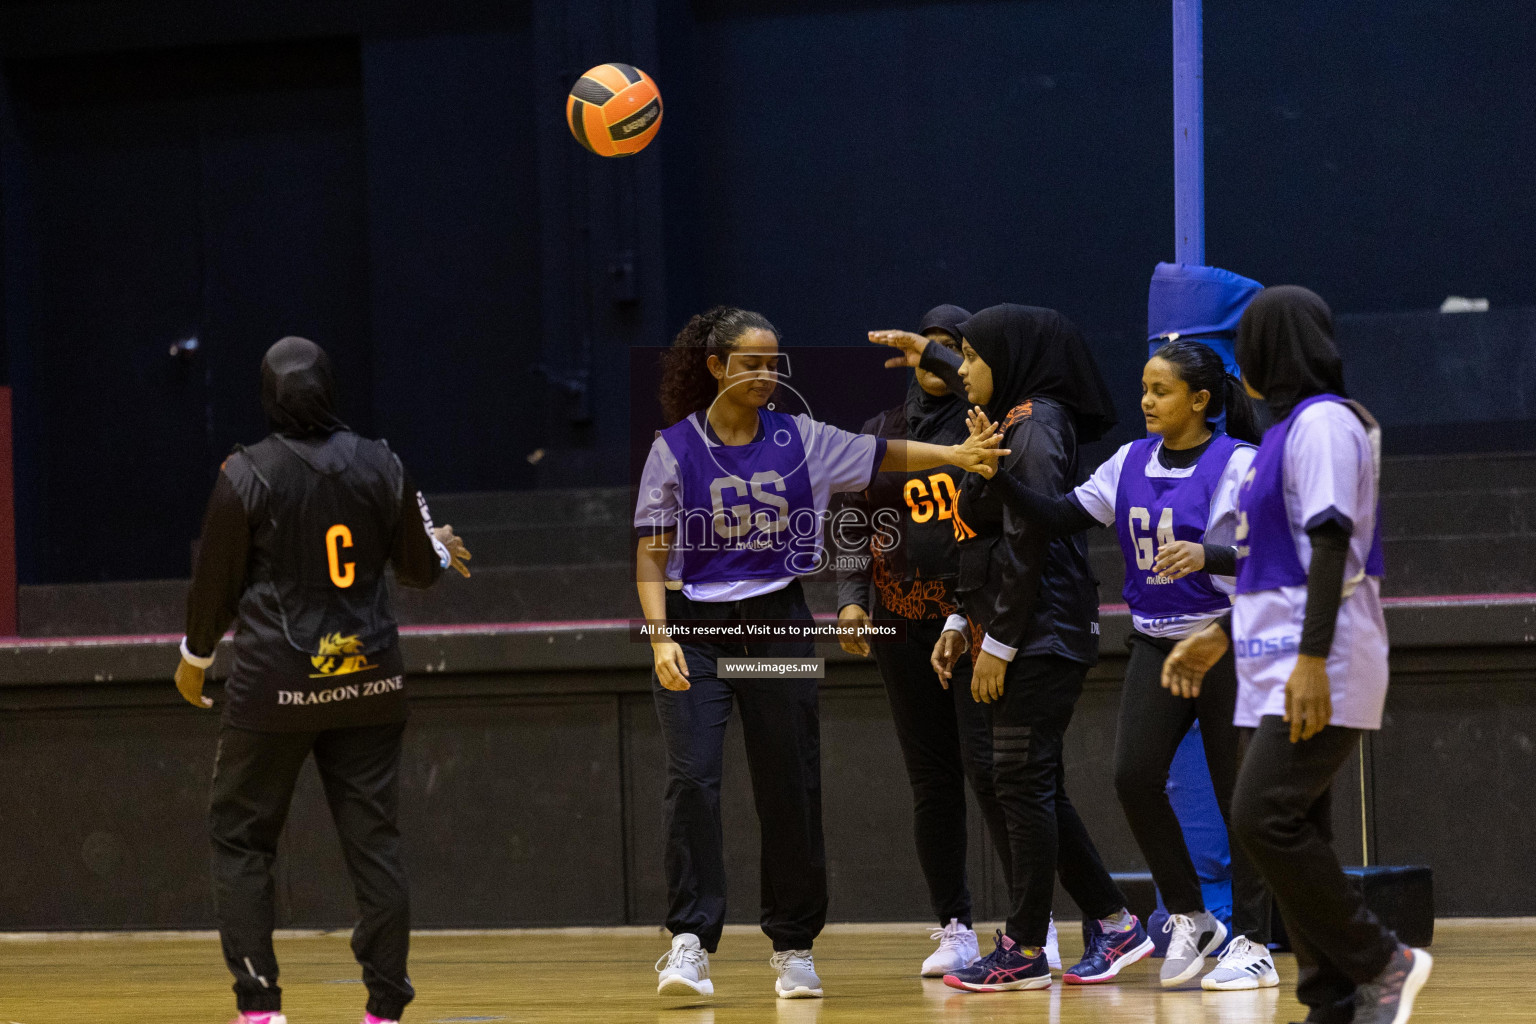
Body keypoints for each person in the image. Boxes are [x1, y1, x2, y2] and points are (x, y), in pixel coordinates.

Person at [636, 306, 1003, 1001]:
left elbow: (884, 457)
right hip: (694, 631)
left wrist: (955, 455)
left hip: (775, 623)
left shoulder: (799, 437)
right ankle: (689, 942)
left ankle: (794, 946)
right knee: (692, 780)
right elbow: (652, 553)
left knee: (790, 785)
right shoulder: (675, 447)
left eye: (775, 364)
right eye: (751, 363)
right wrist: (659, 639)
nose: (766, 375)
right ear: (715, 367)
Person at [173, 336, 471, 1024]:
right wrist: (433, 541)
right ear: (331, 389)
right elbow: (422, 571)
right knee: (376, 845)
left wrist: (193, 661)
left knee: (241, 838)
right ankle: (385, 1009)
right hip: (370, 683)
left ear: (267, 396)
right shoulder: (384, 463)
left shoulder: (245, 473)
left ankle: (261, 1008)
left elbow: (213, 585)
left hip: (273, 688)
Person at [963, 339, 1277, 989]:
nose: (1145, 401)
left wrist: (1207, 555)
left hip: (1223, 644)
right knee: (1133, 776)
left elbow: (1275, 562)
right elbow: (1054, 516)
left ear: (1200, 399)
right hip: (1155, 644)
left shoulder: (1240, 465)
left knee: (1236, 797)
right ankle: (1191, 913)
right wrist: (997, 475)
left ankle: (1252, 938)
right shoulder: (1129, 461)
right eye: (1143, 388)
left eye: (1160, 391)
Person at [1163, 286, 1432, 1024]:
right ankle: (1332, 1001)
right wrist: (1219, 635)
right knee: (1302, 829)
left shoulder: (1323, 425)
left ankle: (1383, 959)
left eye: (1243, 345)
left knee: (1261, 817)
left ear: (1265, 354)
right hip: (1268, 662)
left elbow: (1332, 540)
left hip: (1319, 660)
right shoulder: (1283, 435)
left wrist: (1312, 660)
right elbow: (1262, 560)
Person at [873, 305, 1144, 993]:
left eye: (968, 357)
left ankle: (1025, 947)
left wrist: (996, 639)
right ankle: (1114, 923)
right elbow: (986, 542)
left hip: (1040, 631)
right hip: (1012, 626)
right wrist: (964, 621)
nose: (959, 370)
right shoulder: (1009, 417)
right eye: (952, 359)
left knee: (1019, 779)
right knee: (1024, 781)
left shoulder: (1038, 423)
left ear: (1009, 359)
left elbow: (1029, 542)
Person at [838, 305, 1057, 977]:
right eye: (928, 347)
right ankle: (955, 925)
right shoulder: (880, 432)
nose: (938, 359)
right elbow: (849, 518)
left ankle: (1032, 924)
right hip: (900, 627)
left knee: (991, 772)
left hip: (973, 624)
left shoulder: (988, 427)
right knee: (931, 781)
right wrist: (850, 601)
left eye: (951, 348)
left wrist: (970, 620)